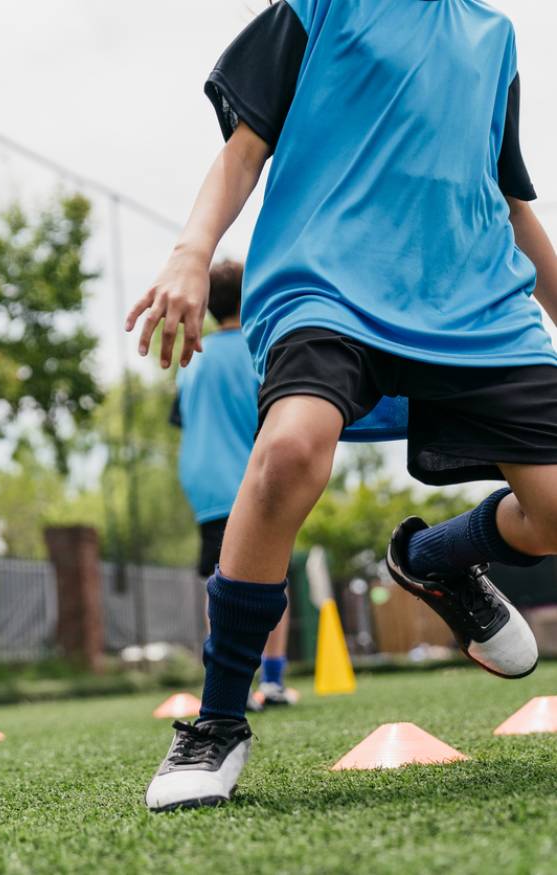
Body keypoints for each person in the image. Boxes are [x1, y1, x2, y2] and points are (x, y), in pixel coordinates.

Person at [126, 0, 557, 812]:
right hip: (325, 287)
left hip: (475, 307)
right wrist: (191, 252)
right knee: (290, 448)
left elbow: (510, 206)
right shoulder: (317, 8)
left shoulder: (493, 40)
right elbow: (241, 152)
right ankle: (217, 721)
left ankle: (432, 558)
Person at [171, 259, 296, 708]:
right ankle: (273, 682)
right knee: (272, 577)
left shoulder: (193, 360)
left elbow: (181, 419)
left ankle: (230, 685)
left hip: (203, 484)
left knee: (219, 584)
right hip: (252, 478)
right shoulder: (259, 350)